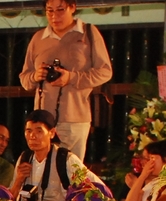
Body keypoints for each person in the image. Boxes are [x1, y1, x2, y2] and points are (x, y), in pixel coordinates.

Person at [18, 0, 112, 159]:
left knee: (72, 173)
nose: (55, 16)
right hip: (43, 122)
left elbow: (105, 72)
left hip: (75, 119)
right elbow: (25, 80)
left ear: (72, 7)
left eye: (60, 10)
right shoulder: (38, 38)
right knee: (43, 173)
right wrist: (36, 76)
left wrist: (72, 77)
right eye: (50, 11)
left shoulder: (88, 32)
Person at [9, 110, 93, 201]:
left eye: (39, 131)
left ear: (52, 133)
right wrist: (18, 180)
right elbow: (10, 199)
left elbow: (95, 188)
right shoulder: (24, 158)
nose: (32, 136)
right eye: (28, 131)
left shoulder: (65, 159)